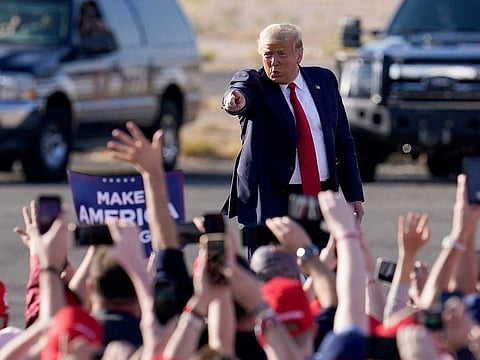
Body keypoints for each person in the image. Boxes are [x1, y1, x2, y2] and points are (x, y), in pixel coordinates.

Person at [221, 23, 364, 249]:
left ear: (299, 54)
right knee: (275, 270)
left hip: (321, 195)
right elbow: (240, 91)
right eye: (267, 55)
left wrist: (354, 193)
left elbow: (343, 142)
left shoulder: (324, 81)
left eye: (281, 54)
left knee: (324, 267)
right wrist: (234, 98)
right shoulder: (256, 84)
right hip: (276, 198)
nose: (274, 62)